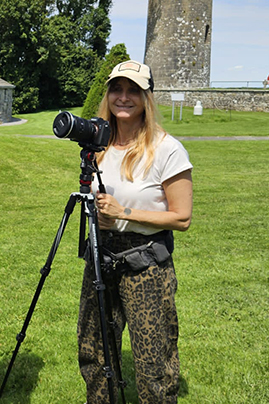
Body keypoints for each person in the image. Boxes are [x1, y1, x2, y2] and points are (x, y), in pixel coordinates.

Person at [78, 60, 193, 404]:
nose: (123, 97)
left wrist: (124, 212)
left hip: (146, 267)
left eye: (133, 90)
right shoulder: (99, 145)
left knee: (152, 364)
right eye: (116, 88)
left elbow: (182, 217)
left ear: (147, 97)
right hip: (101, 257)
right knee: (93, 353)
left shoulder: (166, 148)